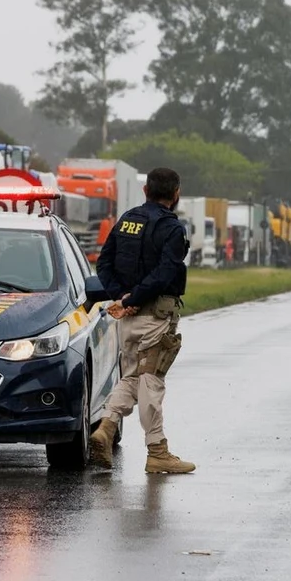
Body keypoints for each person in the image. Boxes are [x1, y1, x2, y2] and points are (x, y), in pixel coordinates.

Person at [90, 167, 195, 474]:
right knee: (151, 381)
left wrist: (121, 296)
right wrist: (133, 298)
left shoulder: (126, 221)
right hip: (154, 317)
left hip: (127, 318)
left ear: (145, 190)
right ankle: (157, 451)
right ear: (175, 194)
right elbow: (165, 273)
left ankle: (106, 427)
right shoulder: (173, 230)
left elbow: (104, 261)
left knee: (131, 378)